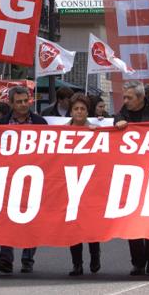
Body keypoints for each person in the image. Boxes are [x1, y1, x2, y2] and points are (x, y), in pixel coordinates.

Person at [115, 81, 149, 276]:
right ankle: (138, 262)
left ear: (140, 98)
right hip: (130, 176)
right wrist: (118, 125)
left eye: (129, 97)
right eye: (125, 97)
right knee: (132, 222)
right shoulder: (122, 115)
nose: (125, 101)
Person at [0, 86, 45, 274]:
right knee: (6, 218)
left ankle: (27, 259)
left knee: (30, 219)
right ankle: (5, 258)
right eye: (19, 102)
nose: (23, 105)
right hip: (8, 178)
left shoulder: (40, 123)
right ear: (11, 104)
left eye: (26, 101)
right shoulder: (1, 125)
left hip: (34, 178)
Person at [65, 93, 101, 276]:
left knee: (90, 225)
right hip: (69, 184)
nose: (79, 112)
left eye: (83, 109)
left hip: (90, 184)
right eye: (76, 109)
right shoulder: (61, 132)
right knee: (73, 226)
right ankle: (77, 264)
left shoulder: (97, 130)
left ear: (88, 111)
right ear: (71, 111)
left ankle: (95, 256)